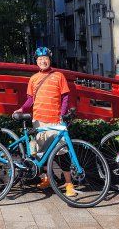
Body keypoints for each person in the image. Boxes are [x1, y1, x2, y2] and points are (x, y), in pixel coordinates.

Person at [13, 47, 76, 198]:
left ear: (50, 59)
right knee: (41, 152)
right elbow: (31, 99)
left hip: (55, 120)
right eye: (40, 59)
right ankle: (47, 178)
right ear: (36, 61)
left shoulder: (58, 75)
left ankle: (69, 184)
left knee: (62, 152)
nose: (43, 61)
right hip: (39, 119)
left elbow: (65, 97)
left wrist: (62, 114)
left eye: (45, 58)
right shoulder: (33, 78)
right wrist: (21, 109)